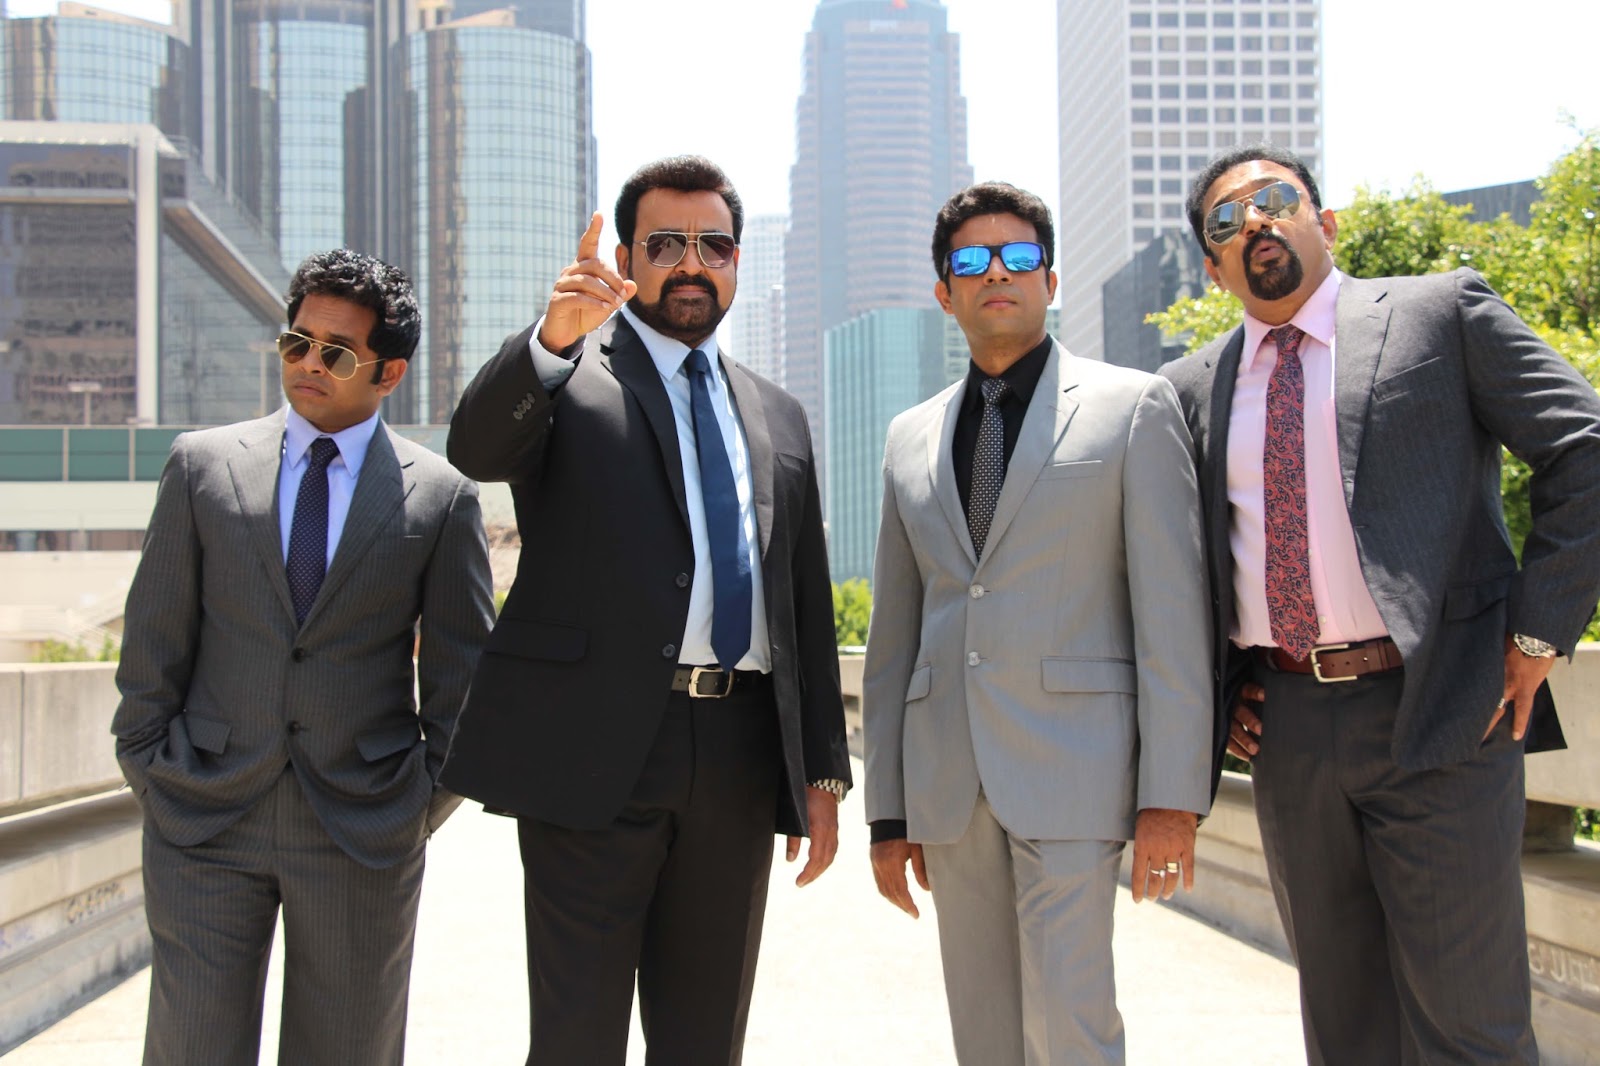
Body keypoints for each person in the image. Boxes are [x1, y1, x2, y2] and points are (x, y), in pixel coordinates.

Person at [1160, 143, 1600, 1064]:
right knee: (1345, 1027)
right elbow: (1182, 566)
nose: (1256, 222)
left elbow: (1583, 449)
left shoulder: (1440, 314)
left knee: (1470, 1030)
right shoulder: (1190, 389)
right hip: (1288, 731)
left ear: (1324, 222)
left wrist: (1539, 633)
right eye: (1227, 220)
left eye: (1276, 200)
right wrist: (1223, 691)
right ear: (1213, 266)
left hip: (1445, 707)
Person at [440, 154, 850, 1066]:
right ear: (626, 259)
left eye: (715, 246)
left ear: (737, 263)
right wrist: (551, 339)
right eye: (666, 244)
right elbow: (476, 449)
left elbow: (803, 601)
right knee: (576, 1039)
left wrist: (821, 773)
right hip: (593, 750)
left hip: (739, 755)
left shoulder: (779, 413)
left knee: (705, 1041)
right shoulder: (569, 373)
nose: (692, 264)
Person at [111, 249, 494, 1065]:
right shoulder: (202, 466)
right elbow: (152, 644)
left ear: (389, 373)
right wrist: (151, 768)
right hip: (205, 818)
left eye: (337, 353)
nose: (309, 364)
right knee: (189, 1050)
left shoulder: (440, 497)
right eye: (298, 343)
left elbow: (463, 684)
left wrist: (413, 806)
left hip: (361, 827)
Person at [863, 181, 1214, 1065]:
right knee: (983, 1034)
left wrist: (1172, 796)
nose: (997, 274)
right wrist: (887, 814)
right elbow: (895, 638)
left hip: (1077, 771)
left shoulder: (1133, 407)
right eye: (972, 261)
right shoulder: (908, 436)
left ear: (1050, 282)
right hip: (949, 782)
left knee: (1071, 1026)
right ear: (944, 292)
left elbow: (1172, 617)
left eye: (1019, 257)